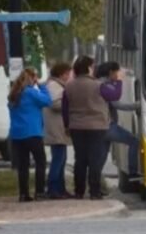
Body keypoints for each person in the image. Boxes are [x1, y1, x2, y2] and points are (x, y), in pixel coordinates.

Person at [62, 55, 121, 200]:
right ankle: (94, 191)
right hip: (97, 127)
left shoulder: (69, 86)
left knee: (80, 159)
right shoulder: (97, 85)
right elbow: (114, 95)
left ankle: (79, 191)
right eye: (93, 66)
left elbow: (65, 108)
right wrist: (118, 81)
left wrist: (67, 125)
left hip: (76, 127)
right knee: (95, 159)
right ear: (89, 68)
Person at [8, 67, 51, 202]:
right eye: (34, 78)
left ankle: (23, 194)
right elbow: (47, 101)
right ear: (32, 78)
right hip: (33, 133)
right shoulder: (30, 93)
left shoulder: (13, 95)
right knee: (40, 162)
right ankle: (39, 191)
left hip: (17, 135)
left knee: (23, 165)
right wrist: (41, 86)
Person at [95, 61, 140, 178]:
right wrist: (137, 105)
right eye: (116, 72)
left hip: (99, 127)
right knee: (134, 141)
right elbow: (117, 104)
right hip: (108, 127)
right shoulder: (106, 85)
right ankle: (133, 172)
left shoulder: (98, 83)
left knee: (102, 156)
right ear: (110, 72)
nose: (118, 74)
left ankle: (94, 184)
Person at [43, 61, 74, 199]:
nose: (69, 76)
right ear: (61, 74)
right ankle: (53, 188)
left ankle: (61, 189)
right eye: (67, 73)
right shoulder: (54, 86)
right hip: (56, 127)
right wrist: (69, 103)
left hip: (59, 127)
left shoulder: (58, 85)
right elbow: (55, 104)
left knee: (62, 159)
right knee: (58, 159)